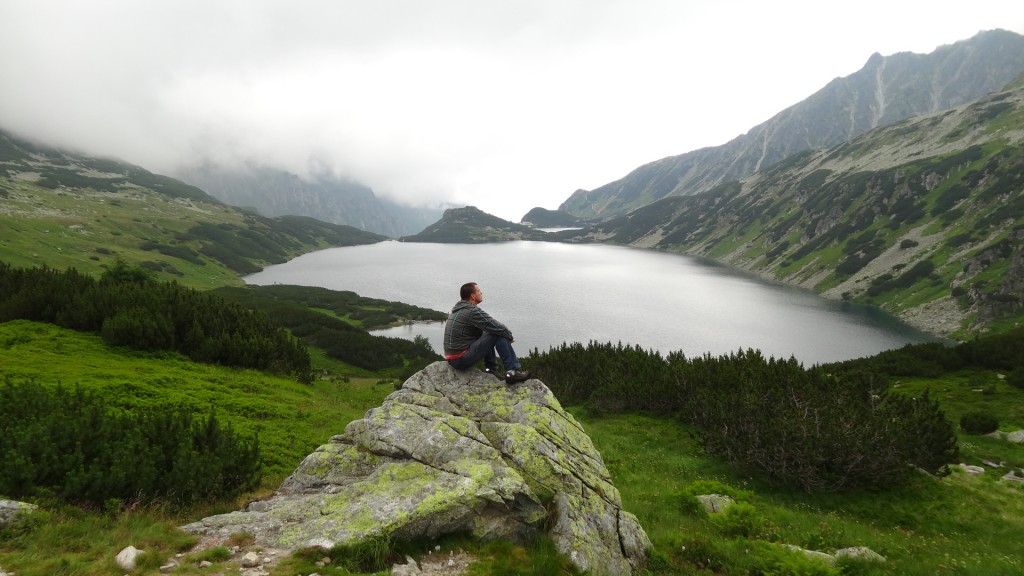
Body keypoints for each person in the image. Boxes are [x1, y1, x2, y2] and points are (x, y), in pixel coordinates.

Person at [443, 282, 531, 384]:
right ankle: (511, 372)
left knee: (488, 331)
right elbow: (498, 327)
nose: (481, 293)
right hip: (460, 359)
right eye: (479, 291)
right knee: (497, 333)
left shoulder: (458, 310)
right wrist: (509, 337)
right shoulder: (471, 311)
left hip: (453, 358)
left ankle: (491, 369)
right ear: (472, 296)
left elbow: (489, 327)